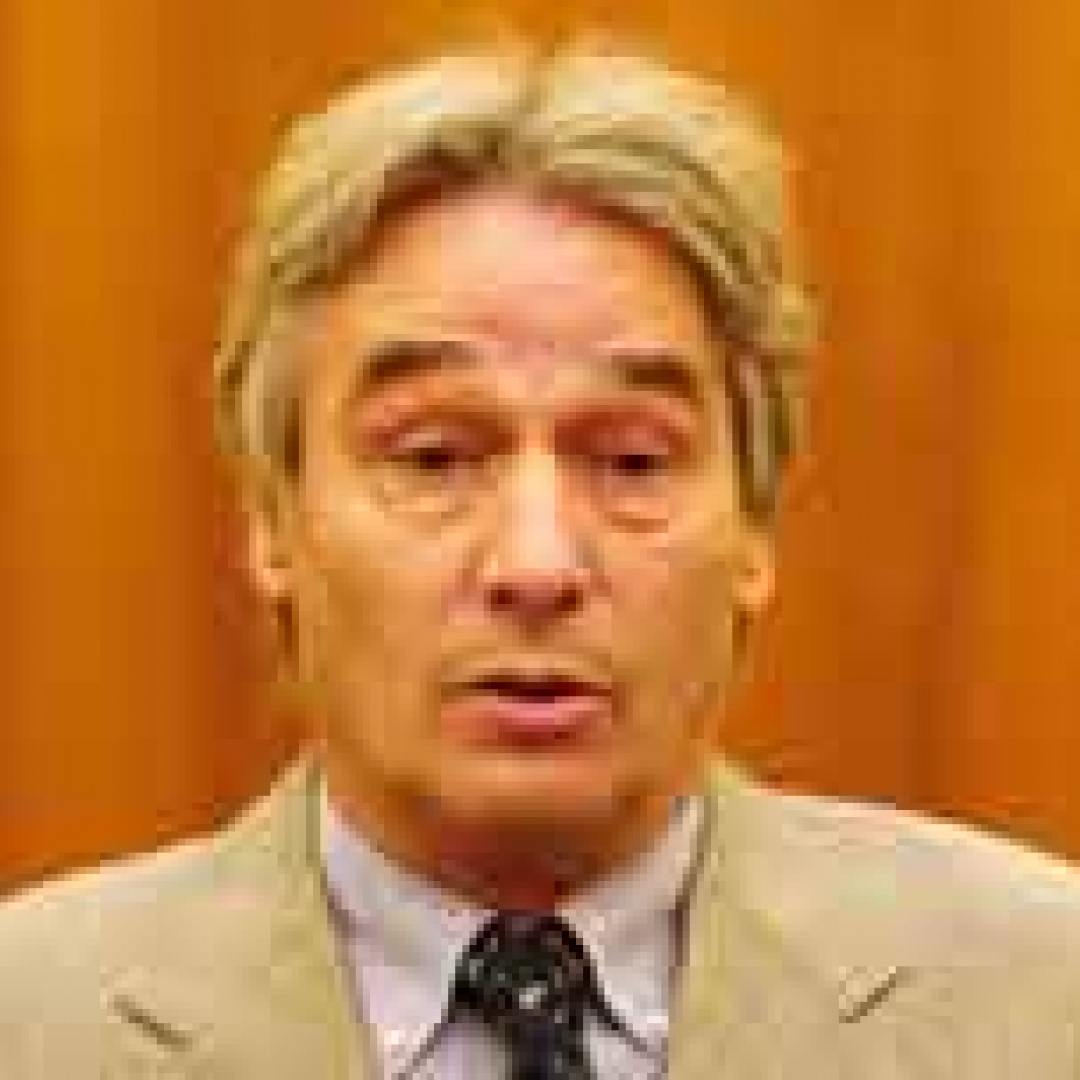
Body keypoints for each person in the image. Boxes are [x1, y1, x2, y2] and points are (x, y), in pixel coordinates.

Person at [1, 34, 1078, 1080]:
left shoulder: (1042, 996)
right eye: (433, 457)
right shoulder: (31, 1021)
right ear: (273, 523)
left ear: (755, 530)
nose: (537, 563)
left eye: (633, 460)